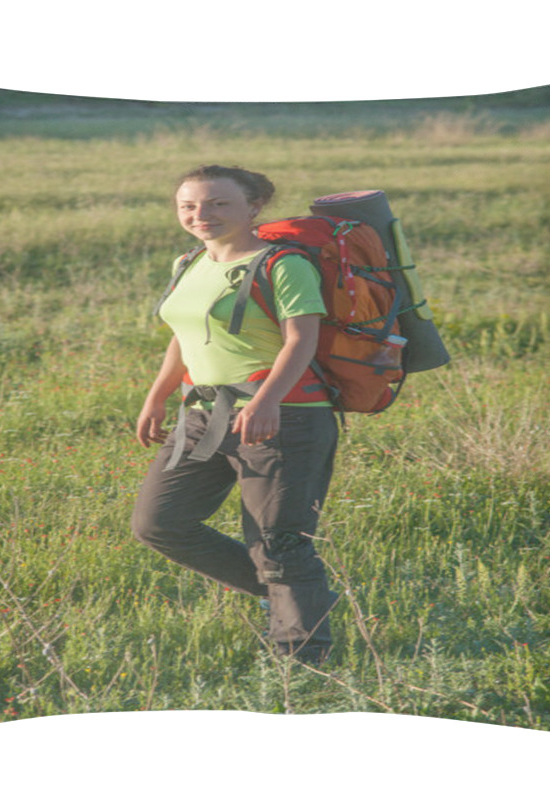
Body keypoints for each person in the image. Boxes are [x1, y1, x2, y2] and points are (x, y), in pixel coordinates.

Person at [131, 164, 339, 665]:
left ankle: (304, 662)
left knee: (279, 542)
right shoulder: (188, 263)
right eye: (189, 205)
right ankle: (296, 598)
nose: (201, 214)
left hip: (283, 417)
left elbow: (301, 338)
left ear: (254, 207)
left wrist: (267, 400)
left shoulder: (282, 264)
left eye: (218, 203)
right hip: (204, 415)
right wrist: (156, 396)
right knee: (158, 523)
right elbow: (183, 336)